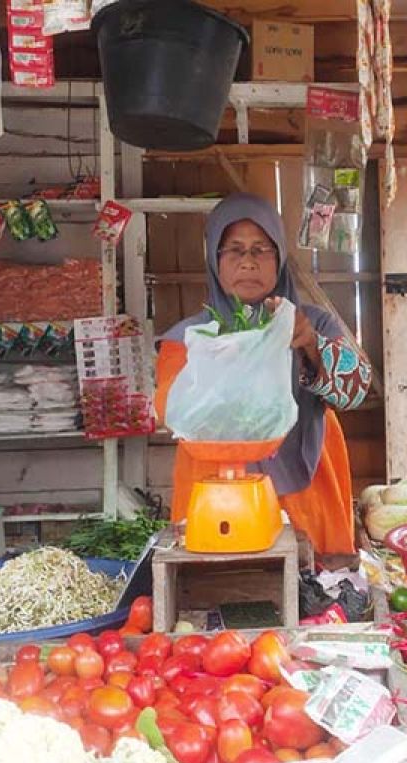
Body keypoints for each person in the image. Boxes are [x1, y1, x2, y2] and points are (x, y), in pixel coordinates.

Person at [154, 193, 372, 555]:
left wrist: (312, 346)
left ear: (279, 259)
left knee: (317, 595)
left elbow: (357, 391)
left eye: (261, 250)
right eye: (234, 250)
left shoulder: (314, 323)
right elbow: (168, 410)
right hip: (216, 497)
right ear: (215, 259)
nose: (248, 262)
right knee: (216, 592)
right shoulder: (189, 338)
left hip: (308, 491)